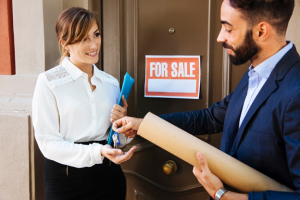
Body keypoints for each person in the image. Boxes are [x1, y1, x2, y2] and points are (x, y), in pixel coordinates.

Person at [112, 0, 300, 199]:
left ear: (261, 31)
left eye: (228, 29)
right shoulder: (255, 73)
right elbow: (211, 118)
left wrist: (223, 195)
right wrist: (144, 125)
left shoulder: (295, 92)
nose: (220, 37)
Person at [32, 7, 136, 200]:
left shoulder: (111, 83)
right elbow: (48, 143)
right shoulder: (49, 82)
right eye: (83, 38)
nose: (94, 44)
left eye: (96, 34)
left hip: (109, 178)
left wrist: (123, 130)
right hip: (66, 180)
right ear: (64, 43)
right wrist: (98, 151)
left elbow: (114, 139)